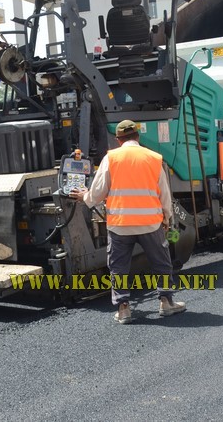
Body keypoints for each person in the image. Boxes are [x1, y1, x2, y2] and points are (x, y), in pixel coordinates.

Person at [69, 120, 186, 324]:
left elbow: (97, 192)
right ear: (138, 137)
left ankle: (123, 308)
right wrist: (167, 217)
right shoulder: (153, 158)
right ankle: (166, 302)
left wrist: (85, 197)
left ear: (118, 139)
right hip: (150, 223)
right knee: (161, 262)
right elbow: (164, 193)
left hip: (120, 224)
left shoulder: (111, 158)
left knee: (119, 266)